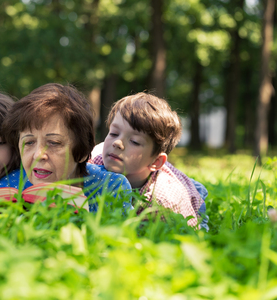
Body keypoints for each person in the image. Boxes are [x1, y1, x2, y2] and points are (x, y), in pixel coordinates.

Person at [0, 83, 132, 213]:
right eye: (29, 142)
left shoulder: (111, 187)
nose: (38, 154)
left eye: (54, 143)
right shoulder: (7, 187)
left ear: (82, 152)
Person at [89, 92, 209, 229]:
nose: (117, 142)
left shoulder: (166, 201)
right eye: (114, 133)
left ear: (156, 162)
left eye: (134, 141)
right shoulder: (95, 162)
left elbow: (188, 233)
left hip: (186, 191)